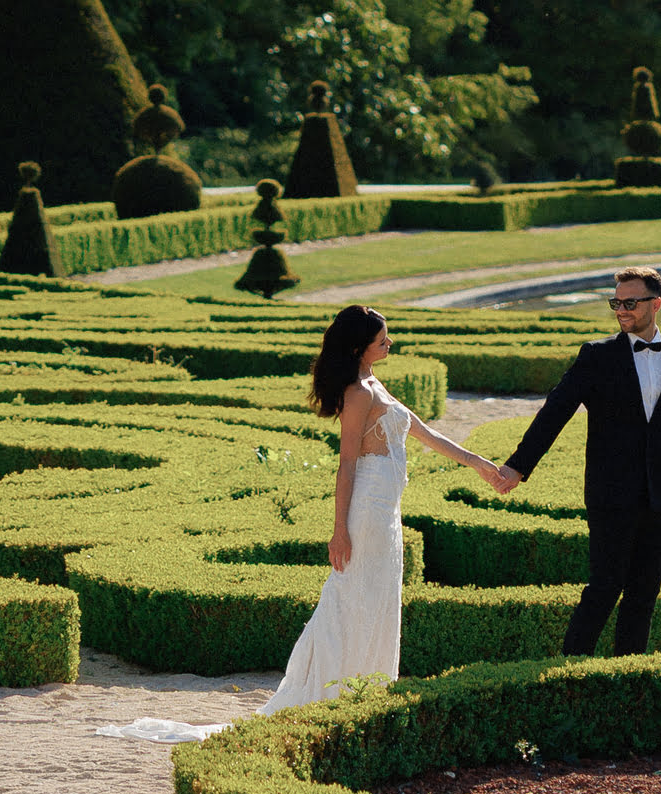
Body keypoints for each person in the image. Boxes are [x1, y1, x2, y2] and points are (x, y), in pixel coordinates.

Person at [97, 306, 501, 743]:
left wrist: (478, 463)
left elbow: (423, 431)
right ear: (359, 346)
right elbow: (346, 465)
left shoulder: (374, 382)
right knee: (353, 599)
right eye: (382, 338)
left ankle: (367, 689)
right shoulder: (358, 393)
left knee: (379, 599)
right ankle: (338, 693)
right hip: (366, 513)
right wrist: (339, 529)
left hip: (386, 514)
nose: (390, 343)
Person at [492, 266, 661, 656]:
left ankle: (627, 673)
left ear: (655, 304)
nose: (621, 310)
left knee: (645, 591)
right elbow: (555, 411)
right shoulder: (597, 355)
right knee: (606, 585)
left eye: (629, 303)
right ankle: (571, 668)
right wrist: (518, 466)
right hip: (609, 492)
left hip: (656, 496)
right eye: (616, 303)